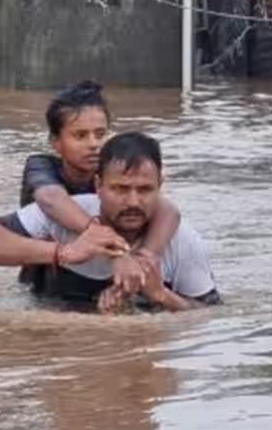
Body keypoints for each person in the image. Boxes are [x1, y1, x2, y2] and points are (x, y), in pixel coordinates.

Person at [0, 132, 220, 313]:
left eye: (144, 190)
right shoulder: (69, 215)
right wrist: (63, 253)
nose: (133, 202)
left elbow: (212, 318)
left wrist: (162, 296)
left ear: (160, 187)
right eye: (119, 189)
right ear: (98, 186)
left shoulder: (182, 240)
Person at [20, 81, 183, 295]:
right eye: (80, 136)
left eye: (100, 134)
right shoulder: (41, 166)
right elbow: (50, 198)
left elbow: (168, 210)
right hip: (47, 275)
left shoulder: (115, 173)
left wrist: (143, 258)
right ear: (55, 142)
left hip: (107, 269)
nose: (93, 144)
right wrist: (103, 237)